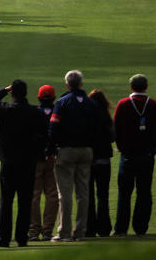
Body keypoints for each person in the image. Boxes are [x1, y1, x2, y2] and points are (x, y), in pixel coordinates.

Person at [0, 80, 46, 247]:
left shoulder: (5, 110)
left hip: (9, 161)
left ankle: (4, 238)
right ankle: (21, 237)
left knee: (6, 201)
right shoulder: (35, 112)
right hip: (28, 162)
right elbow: (44, 136)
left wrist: (3, 90)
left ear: (12, 93)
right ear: (26, 94)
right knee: (25, 201)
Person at [49, 70, 99, 241]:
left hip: (66, 150)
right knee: (83, 193)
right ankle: (80, 232)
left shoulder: (62, 102)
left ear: (67, 84)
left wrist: (51, 149)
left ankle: (64, 232)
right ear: (81, 84)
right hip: (86, 150)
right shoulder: (91, 104)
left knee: (65, 193)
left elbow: (53, 128)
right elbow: (97, 130)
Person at [113, 74, 156, 236]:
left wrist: (120, 146)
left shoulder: (123, 104)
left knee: (124, 193)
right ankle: (141, 227)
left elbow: (116, 129)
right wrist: (154, 147)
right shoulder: (154, 105)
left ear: (131, 87)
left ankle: (121, 228)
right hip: (146, 156)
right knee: (144, 192)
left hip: (127, 155)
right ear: (146, 86)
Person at [28, 85, 58, 241]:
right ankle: (47, 231)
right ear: (53, 97)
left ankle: (34, 231)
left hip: (35, 158)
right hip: (53, 158)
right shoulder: (58, 111)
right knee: (52, 195)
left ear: (39, 97)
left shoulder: (34, 112)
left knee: (34, 195)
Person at [85, 89, 114, 238]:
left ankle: (89, 228)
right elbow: (112, 137)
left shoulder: (86, 117)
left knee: (87, 195)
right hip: (104, 160)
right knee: (103, 195)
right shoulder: (106, 118)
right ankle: (104, 228)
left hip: (88, 161)